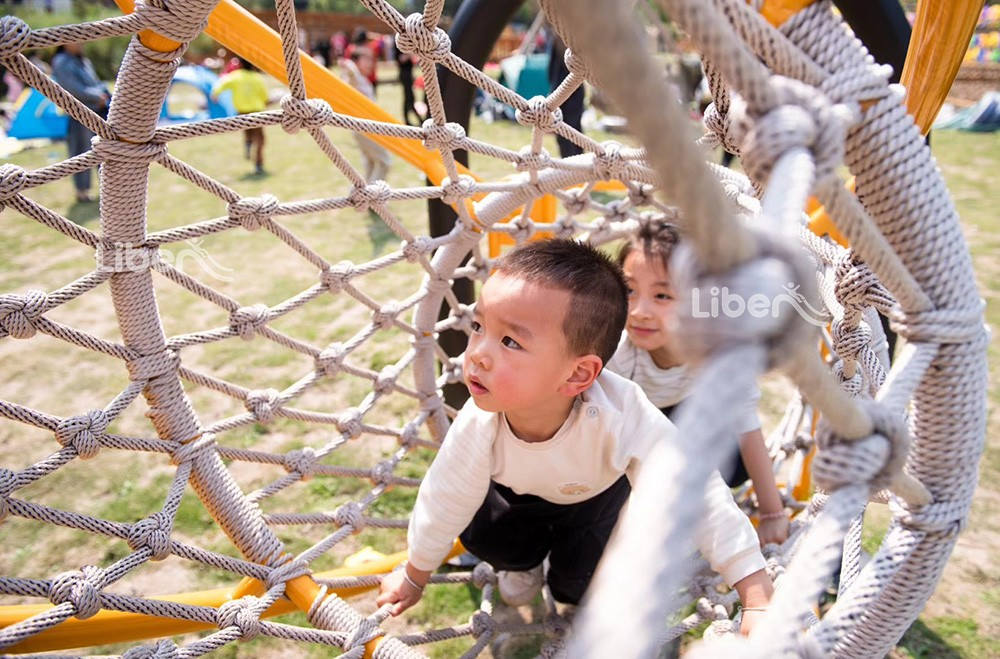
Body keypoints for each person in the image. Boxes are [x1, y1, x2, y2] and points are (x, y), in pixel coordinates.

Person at [377, 239, 773, 634]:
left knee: (577, 587)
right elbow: (446, 495)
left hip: (594, 501)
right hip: (516, 500)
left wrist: (753, 589)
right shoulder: (480, 420)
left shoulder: (622, 412)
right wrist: (414, 574)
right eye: (478, 327)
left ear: (578, 375)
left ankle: (567, 577)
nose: (477, 353)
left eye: (510, 341)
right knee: (487, 535)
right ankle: (523, 565)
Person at [607, 222, 790, 546]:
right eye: (630, 289)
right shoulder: (617, 353)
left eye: (662, 295)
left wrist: (773, 513)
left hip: (687, 411)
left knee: (733, 464)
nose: (639, 311)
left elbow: (746, 427)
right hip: (634, 423)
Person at [50, 43, 110, 203]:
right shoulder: (62, 61)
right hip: (79, 113)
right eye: (76, 41)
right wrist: (97, 96)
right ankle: (82, 191)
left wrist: (105, 93)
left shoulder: (83, 60)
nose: (80, 44)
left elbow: (94, 82)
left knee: (104, 150)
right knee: (82, 151)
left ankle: (108, 187)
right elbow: (72, 89)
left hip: (98, 111)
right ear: (66, 43)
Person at [339, 49, 392, 182]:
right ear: (356, 62)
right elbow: (351, 74)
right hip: (363, 129)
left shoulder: (364, 80)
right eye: (366, 60)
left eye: (370, 60)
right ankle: (372, 196)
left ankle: (365, 197)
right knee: (384, 161)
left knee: (370, 164)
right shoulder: (355, 80)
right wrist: (348, 64)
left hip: (365, 127)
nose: (370, 64)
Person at [211, 58, 268, 175]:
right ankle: (258, 164)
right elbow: (264, 97)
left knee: (248, 132)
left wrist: (215, 94)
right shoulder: (257, 78)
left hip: (242, 113)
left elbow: (220, 84)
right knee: (260, 140)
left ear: (240, 64)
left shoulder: (235, 76)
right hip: (257, 113)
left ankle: (248, 144)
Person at [394, 44, 421, 126]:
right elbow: (401, 59)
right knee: (409, 98)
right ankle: (413, 119)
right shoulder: (398, 46)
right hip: (404, 74)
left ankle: (413, 119)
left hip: (409, 74)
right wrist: (409, 54)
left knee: (410, 98)